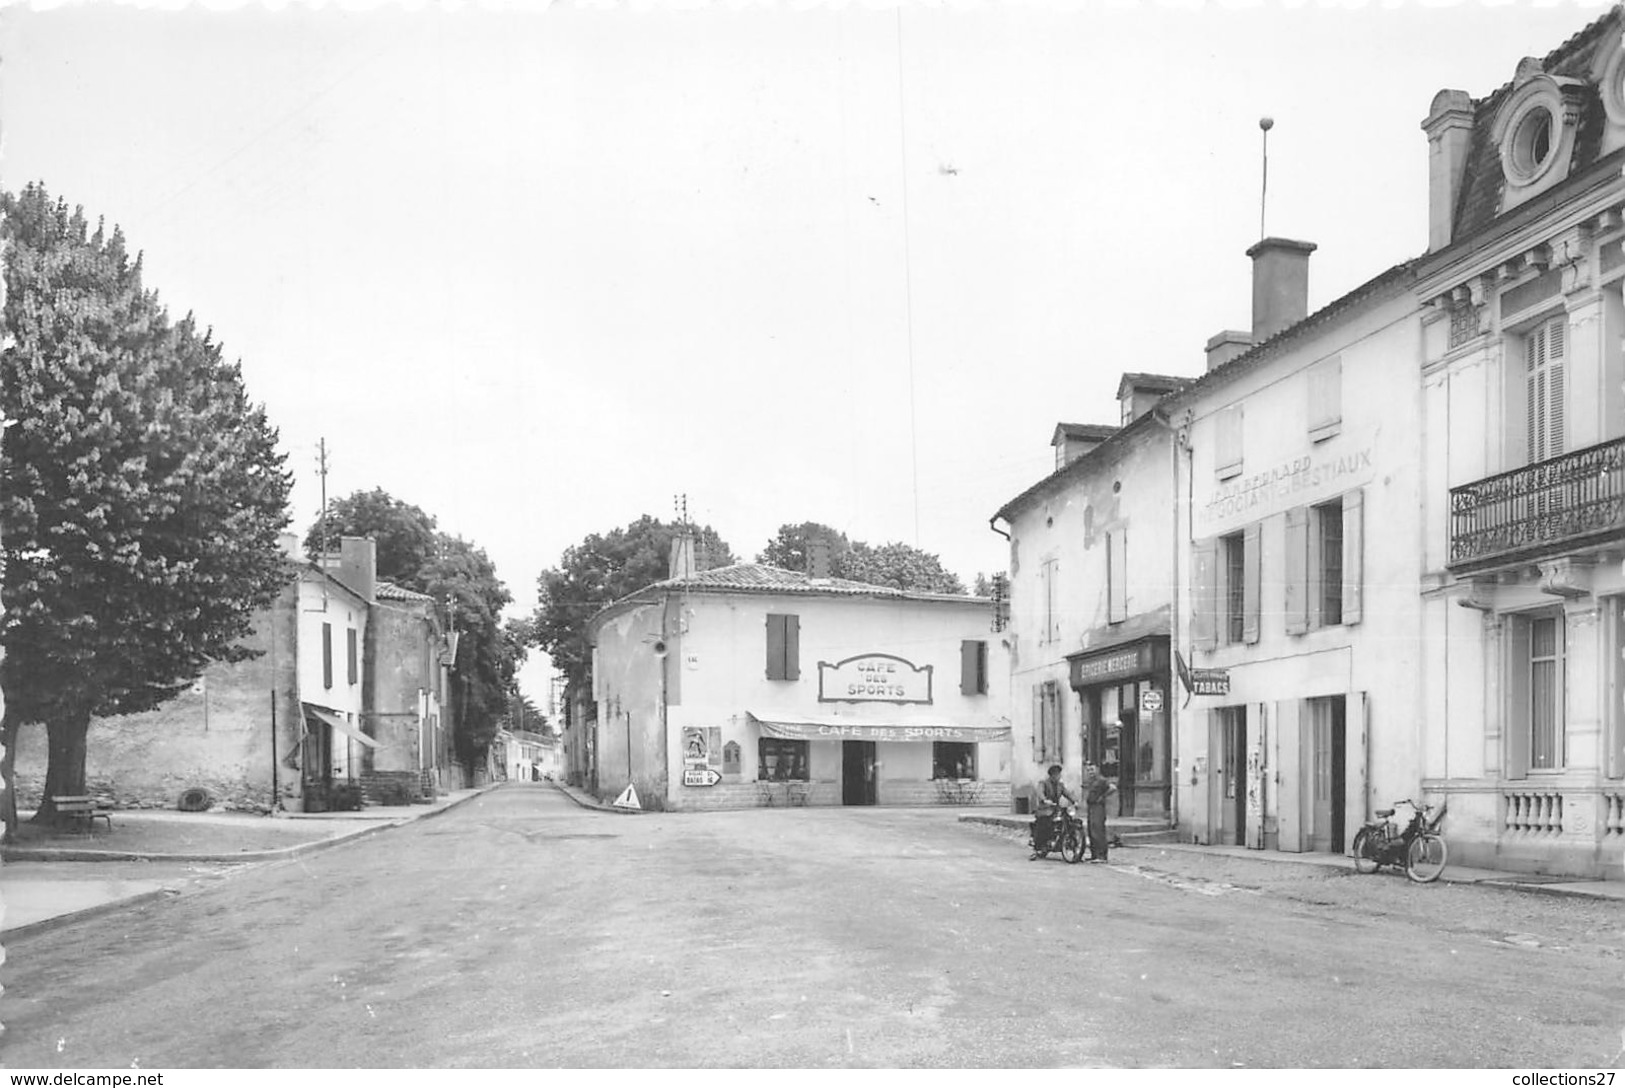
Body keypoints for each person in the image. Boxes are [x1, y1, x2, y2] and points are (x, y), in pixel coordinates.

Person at [1029, 764, 1076, 860]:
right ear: (1052, 775)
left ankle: (1069, 841)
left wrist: (1075, 801)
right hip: (1045, 809)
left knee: (1069, 819)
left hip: (1056, 809)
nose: (1058, 776)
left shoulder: (1060, 785)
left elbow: (1067, 793)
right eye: (1056, 774)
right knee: (1045, 824)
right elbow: (1040, 792)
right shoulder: (1043, 783)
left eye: (1059, 774)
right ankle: (1037, 847)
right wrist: (1045, 800)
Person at [1081, 760, 1117, 862]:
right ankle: (1094, 855)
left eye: (1092, 769)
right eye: (1088, 770)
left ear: (1097, 769)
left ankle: (1101, 856)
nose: (1090, 772)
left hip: (1098, 807)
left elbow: (1113, 788)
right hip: (1091, 807)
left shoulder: (1101, 780)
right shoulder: (1091, 781)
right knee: (1091, 830)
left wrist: (1103, 796)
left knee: (1098, 830)